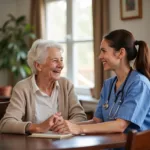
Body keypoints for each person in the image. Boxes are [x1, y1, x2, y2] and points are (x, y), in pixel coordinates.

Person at [53, 29, 150, 136]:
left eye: (104, 51)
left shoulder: (139, 84)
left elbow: (120, 125)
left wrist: (78, 128)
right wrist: (67, 126)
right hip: (110, 145)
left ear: (121, 53)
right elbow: (96, 121)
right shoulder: (108, 84)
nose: (100, 56)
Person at [0, 39, 87, 134]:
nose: (61, 65)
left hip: (64, 145)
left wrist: (64, 125)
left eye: (61, 60)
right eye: (55, 60)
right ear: (38, 66)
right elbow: (6, 123)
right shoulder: (22, 88)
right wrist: (38, 127)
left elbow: (80, 117)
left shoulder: (66, 85)